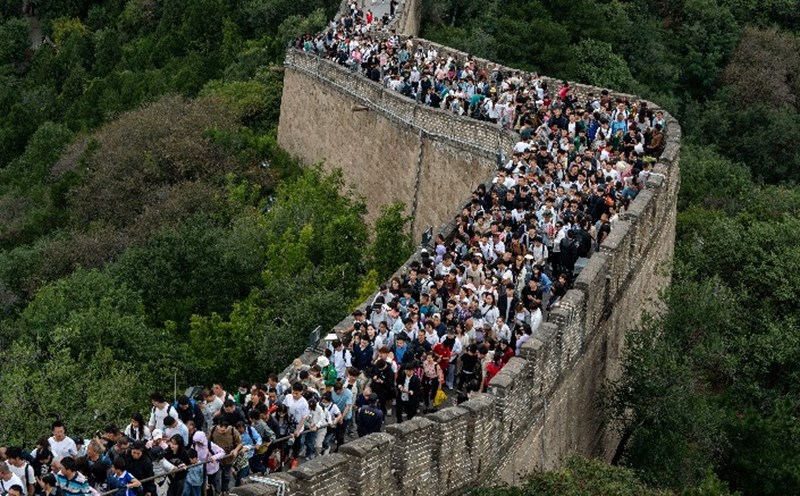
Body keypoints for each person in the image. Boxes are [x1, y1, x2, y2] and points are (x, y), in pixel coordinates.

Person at [208, 420, 242, 493]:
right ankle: (218, 492)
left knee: (226, 476)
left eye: (225, 428)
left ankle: (225, 490)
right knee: (216, 477)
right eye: (221, 427)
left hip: (228, 458)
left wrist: (235, 450)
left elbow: (239, 443)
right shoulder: (213, 430)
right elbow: (208, 442)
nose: (222, 430)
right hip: (216, 459)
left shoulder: (233, 431)